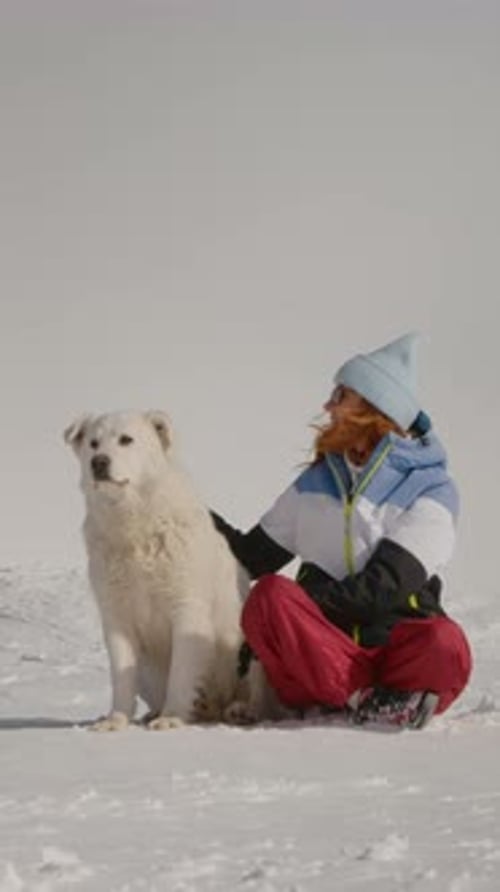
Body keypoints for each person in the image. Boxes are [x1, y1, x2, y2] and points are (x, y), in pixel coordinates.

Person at [212, 333, 472, 729]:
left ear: (374, 409)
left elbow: (381, 588)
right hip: (318, 656)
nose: (327, 406)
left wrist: (307, 600)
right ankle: (366, 700)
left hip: (396, 656)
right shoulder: (315, 483)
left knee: (445, 642)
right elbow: (250, 558)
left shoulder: (432, 489)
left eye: (340, 395)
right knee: (270, 596)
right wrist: (186, 514)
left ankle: (378, 696)